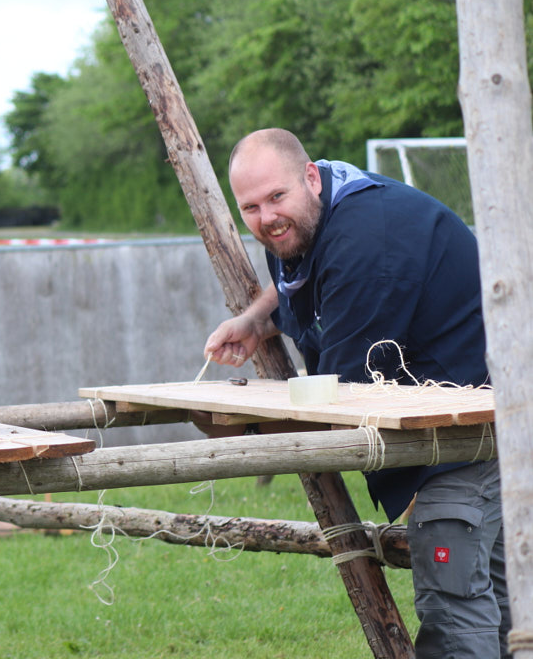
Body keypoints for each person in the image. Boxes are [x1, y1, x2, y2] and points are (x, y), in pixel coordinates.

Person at [203, 128, 508, 658]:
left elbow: (340, 401)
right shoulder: (323, 210)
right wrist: (255, 320)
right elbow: (303, 282)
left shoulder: (367, 244)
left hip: (468, 436)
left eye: (276, 197)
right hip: (467, 425)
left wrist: (239, 424)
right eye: (250, 207)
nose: (267, 217)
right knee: (506, 604)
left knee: (455, 611)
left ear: (311, 177)